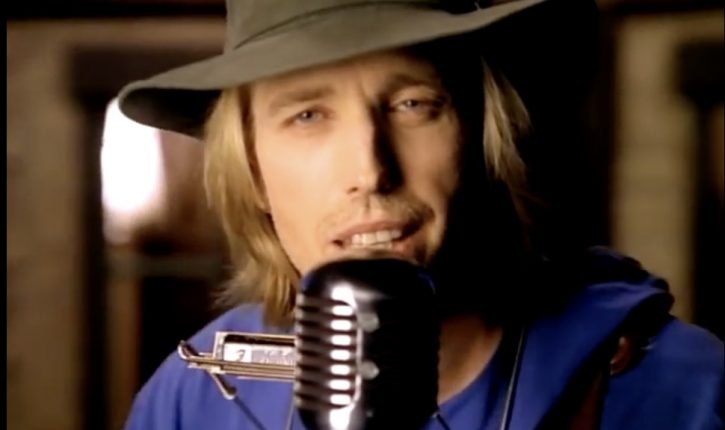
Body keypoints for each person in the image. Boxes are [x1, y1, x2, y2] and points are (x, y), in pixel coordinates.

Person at [117, 0, 724, 429]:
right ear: (252, 172)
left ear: (483, 138)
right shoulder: (196, 397)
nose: (370, 169)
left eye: (413, 104)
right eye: (307, 116)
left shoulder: (681, 389)